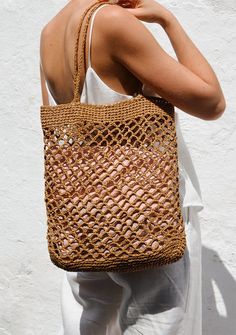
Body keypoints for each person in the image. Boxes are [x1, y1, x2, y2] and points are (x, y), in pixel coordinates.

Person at [40, 0, 226, 334]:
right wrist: (168, 22)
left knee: (95, 321)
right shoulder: (111, 22)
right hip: (145, 212)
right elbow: (211, 102)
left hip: (87, 218)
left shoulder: (50, 31)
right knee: (161, 321)